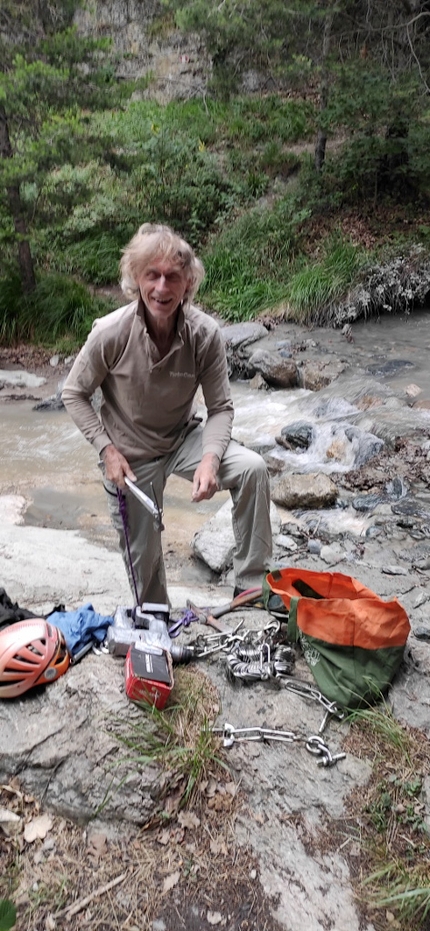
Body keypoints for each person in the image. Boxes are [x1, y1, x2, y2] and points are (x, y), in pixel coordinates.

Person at [62, 223, 272, 606]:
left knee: (252, 468)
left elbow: (221, 407)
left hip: (182, 439)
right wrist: (106, 450)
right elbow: (74, 393)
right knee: (149, 594)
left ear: (187, 283)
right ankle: (158, 616)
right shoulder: (110, 333)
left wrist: (210, 460)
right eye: (152, 275)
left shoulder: (205, 334)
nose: (162, 287)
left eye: (172, 277)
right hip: (130, 457)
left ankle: (251, 584)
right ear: (137, 280)